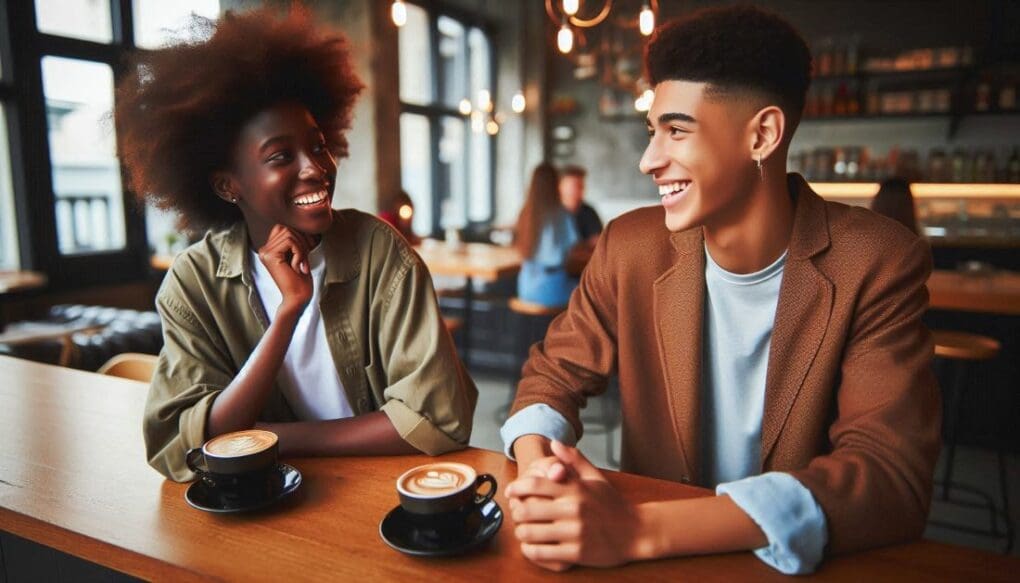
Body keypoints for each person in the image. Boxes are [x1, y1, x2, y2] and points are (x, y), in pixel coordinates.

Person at [501, 5, 939, 574]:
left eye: (676, 130)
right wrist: (542, 479)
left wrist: (639, 527)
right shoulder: (628, 246)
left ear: (762, 134)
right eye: (652, 131)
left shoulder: (878, 261)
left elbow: (889, 477)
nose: (648, 160)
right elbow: (551, 377)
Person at [115, 7, 477, 482]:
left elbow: (438, 420)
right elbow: (179, 446)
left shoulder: (379, 252)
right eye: (281, 156)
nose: (316, 168)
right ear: (229, 186)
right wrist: (289, 312)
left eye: (318, 145)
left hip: (379, 488)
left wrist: (272, 437)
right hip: (261, 504)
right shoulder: (194, 282)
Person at [514, 163, 581, 307]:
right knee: (590, 294)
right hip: (552, 288)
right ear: (556, 184)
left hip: (525, 287)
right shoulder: (561, 214)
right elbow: (573, 248)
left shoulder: (525, 213)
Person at [559, 165, 603, 246]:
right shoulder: (550, 213)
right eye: (574, 186)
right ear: (560, 186)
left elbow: (598, 242)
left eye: (581, 185)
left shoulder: (589, 212)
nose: (580, 189)